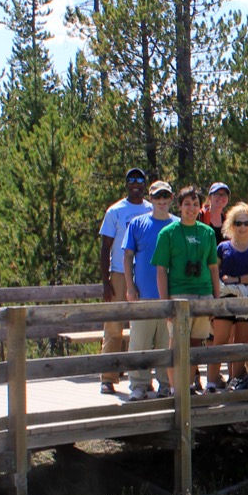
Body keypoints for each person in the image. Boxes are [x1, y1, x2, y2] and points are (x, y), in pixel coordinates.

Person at [152, 186, 220, 391]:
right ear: (179, 206)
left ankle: (188, 385)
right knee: (177, 343)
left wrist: (216, 299)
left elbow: (213, 267)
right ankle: (175, 388)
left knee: (196, 343)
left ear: (201, 207)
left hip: (204, 292)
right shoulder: (168, 233)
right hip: (179, 295)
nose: (191, 208)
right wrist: (166, 303)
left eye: (195, 204)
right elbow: (161, 270)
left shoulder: (207, 232)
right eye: (187, 204)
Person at [122, 181, 178, 401]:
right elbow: (127, 256)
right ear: (151, 199)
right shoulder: (137, 224)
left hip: (170, 297)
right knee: (140, 343)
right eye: (157, 197)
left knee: (167, 342)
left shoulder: (177, 224)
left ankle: (166, 384)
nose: (161, 201)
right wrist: (129, 286)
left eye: (165, 196)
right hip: (144, 294)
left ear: (171, 198)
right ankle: (139, 384)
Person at [97, 167, 151, 394]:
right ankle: (108, 377)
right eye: (132, 180)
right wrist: (106, 281)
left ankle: (142, 377)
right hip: (119, 272)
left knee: (146, 327)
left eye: (140, 179)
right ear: (127, 183)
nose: (136, 183)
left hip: (145, 273)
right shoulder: (116, 211)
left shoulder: (151, 208)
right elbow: (105, 248)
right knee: (114, 327)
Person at [212, 203, 248, 388]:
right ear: (231, 225)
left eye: (247, 223)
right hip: (225, 298)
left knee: (241, 342)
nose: (243, 227)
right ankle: (212, 382)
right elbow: (214, 271)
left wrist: (237, 279)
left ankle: (235, 382)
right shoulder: (222, 247)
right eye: (238, 223)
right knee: (220, 341)